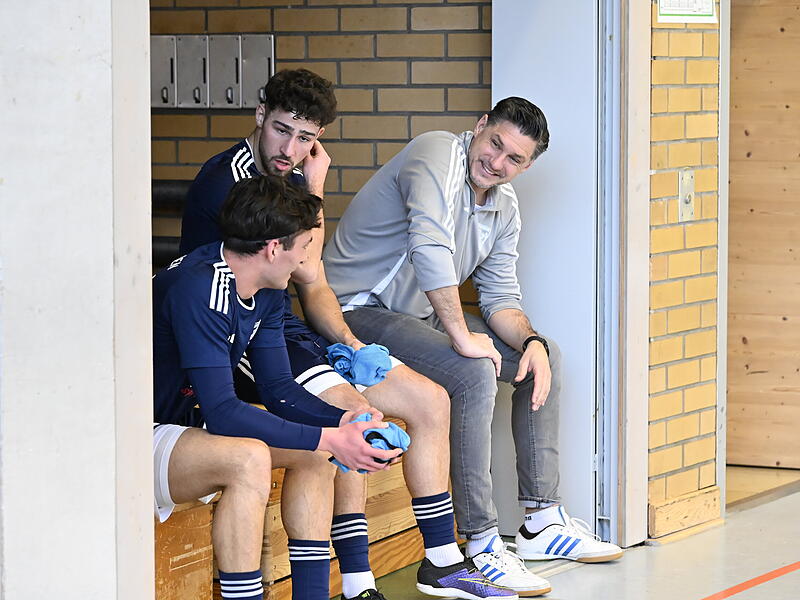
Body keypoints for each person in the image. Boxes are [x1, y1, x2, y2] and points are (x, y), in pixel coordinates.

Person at [180, 69, 515, 600]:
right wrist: (315, 188)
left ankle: (441, 560)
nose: (291, 148)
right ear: (259, 116)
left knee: (426, 400)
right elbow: (283, 270)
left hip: (279, 325)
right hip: (229, 334)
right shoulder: (226, 181)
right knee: (351, 416)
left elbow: (310, 281)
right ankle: (356, 583)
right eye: (282, 130)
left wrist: (350, 344)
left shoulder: (288, 171)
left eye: (306, 137)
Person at [323, 97, 625, 595]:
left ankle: (541, 521)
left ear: (528, 166)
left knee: (542, 355)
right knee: (472, 370)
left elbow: (501, 297)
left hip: (415, 315)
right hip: (354, 312)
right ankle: (481, 543)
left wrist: (529, 341)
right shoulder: (436, 153)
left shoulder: (504, 206)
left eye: (515, 160)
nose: (498, 163)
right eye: (495, 144)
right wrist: (461, 337)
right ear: (479, 127)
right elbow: (429, 246)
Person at [154, 175, 402, 600]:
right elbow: (224, 412)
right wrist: (331, 436)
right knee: (247, 457)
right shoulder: (200, 289)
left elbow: (278, 388)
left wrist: (345, 422)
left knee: (316, 451)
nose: (306, 261)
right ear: (273, 248)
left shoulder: (266, 287)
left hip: (187, 429)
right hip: (132, 435)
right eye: (304, 246)